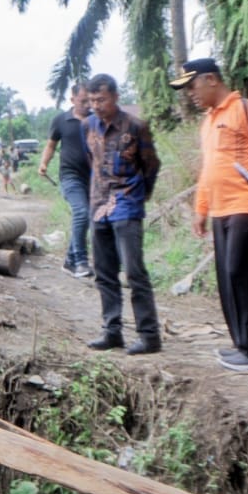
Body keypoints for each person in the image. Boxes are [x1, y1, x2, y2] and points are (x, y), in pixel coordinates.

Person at [172, 58, 248, 373]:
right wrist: (201, 209)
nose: (190, 94)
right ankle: (243, 345)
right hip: (221, 210)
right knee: (227, 279)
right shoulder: (208, 123)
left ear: (211, 79)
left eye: (192, 86)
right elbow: (208, 171)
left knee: (240, 273)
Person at [83, 73, 162, 355]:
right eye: (91, 100)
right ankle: (112, 331)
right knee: (104, 272)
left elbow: (151, 165)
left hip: (127, 205)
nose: (96, 105)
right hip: (98, 206)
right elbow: (90, 161)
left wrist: (141, 195)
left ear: (115, 97)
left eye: (101, 99)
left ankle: (149, 335)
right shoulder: (88, 126)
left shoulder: (135, 126)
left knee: (133, 271)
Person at [39, 82, 93, 278]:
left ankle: (69, 261)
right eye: (83, 100)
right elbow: (51, 145)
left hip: (93, 179)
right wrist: (44, 163)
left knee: (88, 217)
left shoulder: (96, 120)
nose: (88, 104)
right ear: (72, 100)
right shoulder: (61, 120)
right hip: (70, 176)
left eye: (90, 100)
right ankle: (80, 261)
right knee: (81, 212)